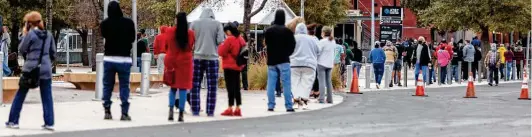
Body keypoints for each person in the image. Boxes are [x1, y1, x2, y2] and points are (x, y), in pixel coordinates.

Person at [5, 11, 55, 131]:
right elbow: (53, 52)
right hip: (46, 69)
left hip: (31, 69)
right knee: (47, 96)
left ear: (29, 23)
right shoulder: (48, 34)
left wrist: (25, 33)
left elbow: (22, 49)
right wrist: (47, 62)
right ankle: (49, 123)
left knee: (20, 94)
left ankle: (13, 121)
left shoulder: (31, 34)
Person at [100, 1, 136, 121]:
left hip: (109, 58)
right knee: (124, 86)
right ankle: (124, 112)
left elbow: (104, 35)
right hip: (124, 58)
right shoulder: (128, 23)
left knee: (107, 85)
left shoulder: (105, 24)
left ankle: (107, 110)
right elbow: (132, 38)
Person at [190, 8, 225, 116]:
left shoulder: (194, 23)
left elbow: (190, 40)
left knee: (195, 85)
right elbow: (220, 40)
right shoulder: (218, 24)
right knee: (212, 86)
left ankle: (195, 110)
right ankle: (210, 111)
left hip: (197, 57)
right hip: (212, 58)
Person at [164, 12, 195, 122]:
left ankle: (171, 110)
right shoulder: (190, 33)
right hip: (185, 63)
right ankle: (181, 113)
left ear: (176, 20)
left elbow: (166, 45)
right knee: (183, 88)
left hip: (172, 60)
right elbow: (190, 46)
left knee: (173, 88)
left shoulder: (170, 31)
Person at [264, 9, 296, 112]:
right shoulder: (288, 31)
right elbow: (293, 45)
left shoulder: (269, 31)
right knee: (286, 84)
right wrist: (288, 53)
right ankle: (288, 106)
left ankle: (271, 105)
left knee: (271, 84)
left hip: (272, 60)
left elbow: (267, 44)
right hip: (284, 60)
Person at [218, 22, 246, 116]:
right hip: (238, 66)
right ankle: (238, 108)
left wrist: (221, 45)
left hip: (229, 66)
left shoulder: (229, 39)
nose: (225, 33)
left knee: (230, 88)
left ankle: (230, 107)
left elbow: (221, 52)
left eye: (226, 31)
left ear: (229, 31)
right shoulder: (241, 39)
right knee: (237, 87)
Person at [290, 23, 319, 109]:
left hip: (294, 64)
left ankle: (296, 99)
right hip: (309, 64)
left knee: (295, 82)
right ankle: (304, 100)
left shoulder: (292, 38)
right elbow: (318, 50)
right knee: (307, 83)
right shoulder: (312, 39)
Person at [317, 26, 336, 103]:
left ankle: (321, 99)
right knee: (328, 82)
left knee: (321, 81)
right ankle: (330, 99)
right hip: (329, 64)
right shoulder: (333, 41)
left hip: (321, 63)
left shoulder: (322, 41)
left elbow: (318, 52)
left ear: (324, 33)